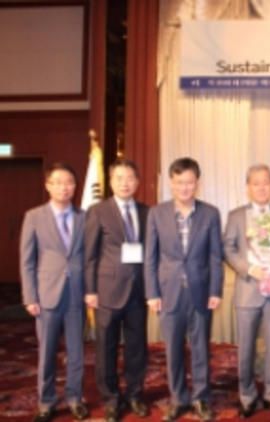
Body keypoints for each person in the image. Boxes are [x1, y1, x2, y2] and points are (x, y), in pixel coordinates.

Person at [145, 157, 224, 421]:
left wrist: (215, 290)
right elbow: (151, 257)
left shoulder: (210, 213)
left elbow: (215, 257)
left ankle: (201, 399)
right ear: (171, 182)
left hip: (200, 292)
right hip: (169, 293)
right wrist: (152, 293)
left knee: (201, 348)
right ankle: (178, 399)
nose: (184, 187)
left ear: (197, 183)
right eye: (179, 182)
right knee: (173, 350)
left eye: (189, 182)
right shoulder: (157, 214)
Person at [223, 164, 270, 419]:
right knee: (245, 348)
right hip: (248, 292)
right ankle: (247, 397)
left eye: (266, 182)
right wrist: (250, 269)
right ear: (248, 188)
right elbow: (228, 250)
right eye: (256, 183)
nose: (261, 187)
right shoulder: (236, 216)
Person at [20, 163, 89, 422]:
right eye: (58, 182)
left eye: (69, 182)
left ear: (75, 186)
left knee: (76, 351)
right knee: (47, 351)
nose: (64, 187)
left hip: (77, 293)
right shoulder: (34, 217)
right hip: (46, 294)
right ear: (48, 185)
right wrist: (30, 296)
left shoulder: (84, 217)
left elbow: (89, 258)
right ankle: (46, 402)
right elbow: (27, 261)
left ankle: (75, 398)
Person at [84, 159, 149, 421]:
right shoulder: (97, 211)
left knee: (136, 347)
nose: (125, 183)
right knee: (106, 347)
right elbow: (89, 255)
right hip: (107, 291)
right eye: (119, 178)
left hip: (138, 290)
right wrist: (90, 290)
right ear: (110, 182)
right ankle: (111, 398)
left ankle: (134, 395)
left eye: (130, 178)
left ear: (137, 182)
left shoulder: (146, 211)